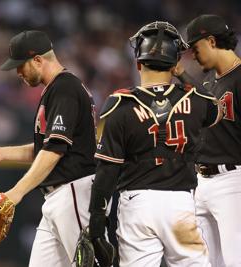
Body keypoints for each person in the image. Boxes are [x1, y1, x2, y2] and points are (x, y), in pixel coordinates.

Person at [88, 21, 221, 266]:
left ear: (138, 63)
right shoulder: (196, 100)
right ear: (174, 64)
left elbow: (107, 169)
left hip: (138, 203)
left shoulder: (119, 103)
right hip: (180, 203)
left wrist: (97, 223)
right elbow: (216, 107)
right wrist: (181, 73)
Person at [0, 30, 100, 267]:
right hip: (58, 197)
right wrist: (3, 153)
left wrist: (16, 193)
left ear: (37, 60)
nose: (18, 72)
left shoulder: (65, 88)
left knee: (90, 263)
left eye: (20, 65)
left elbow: (54, 150)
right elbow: (47, 147)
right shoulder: (56, 89)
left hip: (74, 192)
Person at [176, 14, 241, 267]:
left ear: (211, 41)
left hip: (233, 180)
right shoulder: (209, 83)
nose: (192, 54)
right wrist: (180, 75)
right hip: (203, 184)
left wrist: (182, 75)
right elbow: (204, 100)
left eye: (195, 47)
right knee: (204, 262)